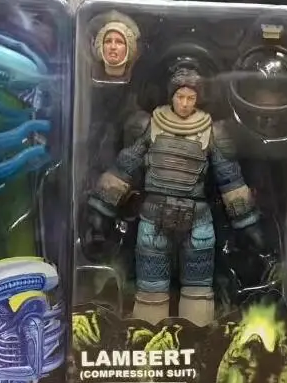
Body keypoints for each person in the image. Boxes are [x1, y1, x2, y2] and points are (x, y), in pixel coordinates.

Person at [86, 68, 264, 326]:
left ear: (198, 99)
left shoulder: (211, 131)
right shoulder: (150, 126)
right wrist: (101, 209)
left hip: (197, 221)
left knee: (198, 288)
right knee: (151, 287)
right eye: (180, 97)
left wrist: (247, 223)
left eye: (191, 98)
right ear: (172, 96)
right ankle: (146, 333)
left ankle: (199, 336)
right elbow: (125, 167)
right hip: (154, 218)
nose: (185, 103)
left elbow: (230, 179)